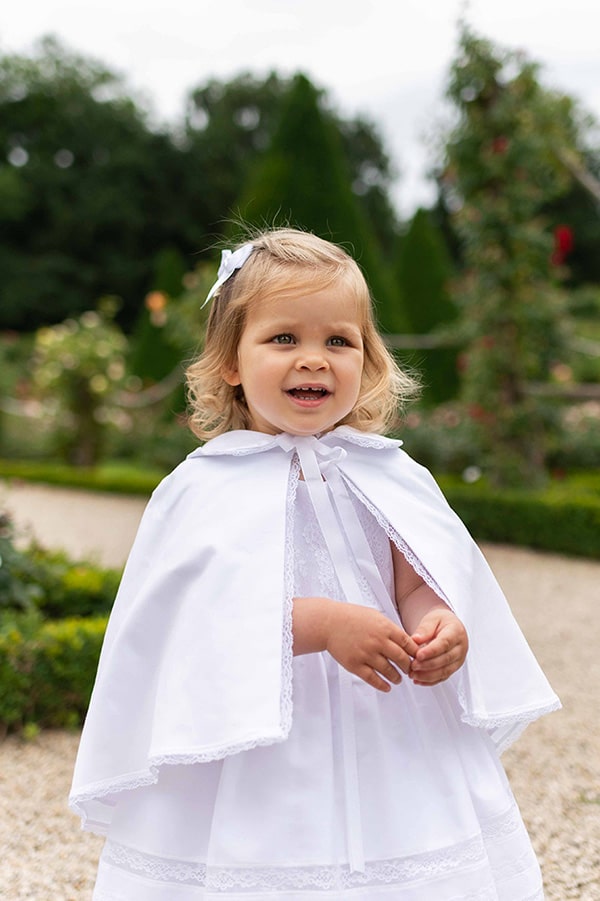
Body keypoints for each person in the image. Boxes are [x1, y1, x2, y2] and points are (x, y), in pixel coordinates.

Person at [70, 228, 560, 900]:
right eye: (283, 339)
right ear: (232, 362)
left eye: (338, 340)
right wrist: (323, 624)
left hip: (388, 722)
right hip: (256, 747)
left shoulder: (388, 471)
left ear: (369, 358)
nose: (314, 360)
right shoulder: (202, 486)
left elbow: (411, 576)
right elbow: (193, 625)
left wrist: (438, 618)